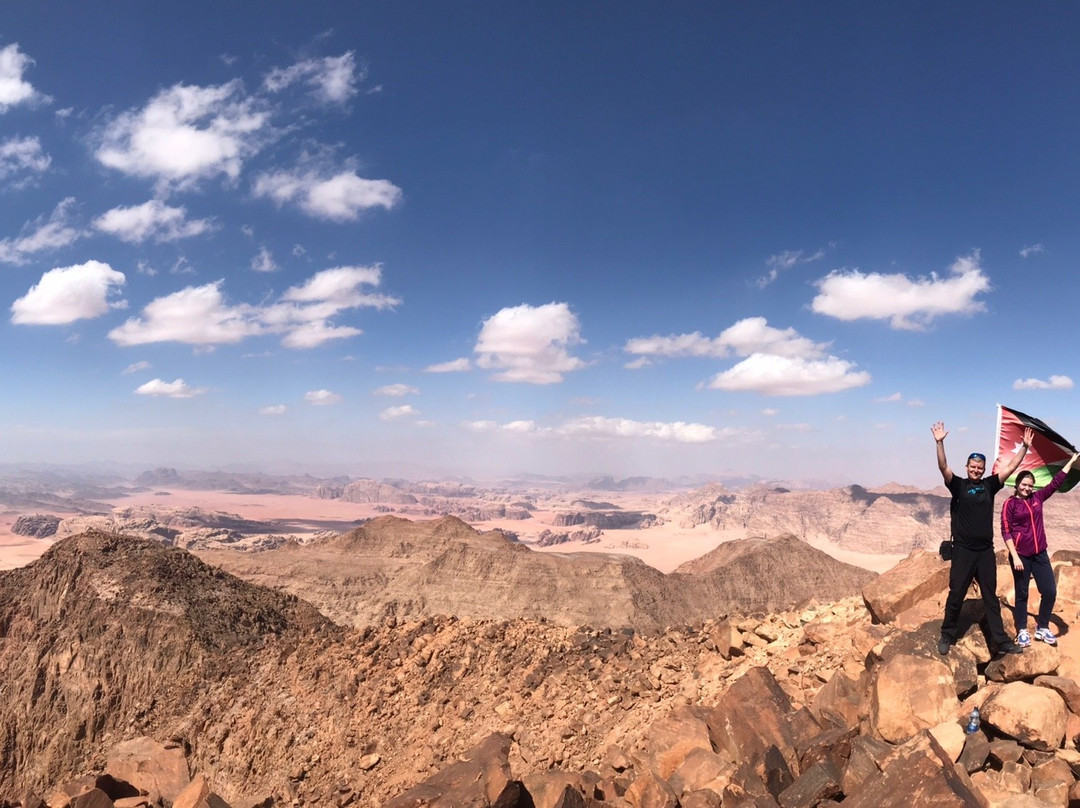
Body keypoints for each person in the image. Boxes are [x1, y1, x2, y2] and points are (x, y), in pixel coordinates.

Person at [933, 420, 1032, 657]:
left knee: (990, 597)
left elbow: (1011, 468)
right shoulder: (958, 485)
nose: (976, 470)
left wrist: (1025, 448)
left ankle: (1001, 641)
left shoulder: (990, 485)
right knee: (956, 593)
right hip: (963, 551)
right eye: (973, 467)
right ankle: (947, 634)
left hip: (985, 551)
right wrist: (939, 443)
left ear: (984, 469)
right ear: (967, 467)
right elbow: (943, 466)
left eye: (980, 468)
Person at [1001, 452, 1079, 647]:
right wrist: (1015, 556)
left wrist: (1071, 461)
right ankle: (1021, 630)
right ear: (1017, 484)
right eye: (1024, 484)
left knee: (1050, 591)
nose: (1027, 488)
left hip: (1040, 554)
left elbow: (1056, 482)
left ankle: (1042, 626)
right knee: (1022, 594)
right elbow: (1006, 531)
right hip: (1021, 556)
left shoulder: (1037, 497)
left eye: (1030, 485)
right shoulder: (1010, 504)